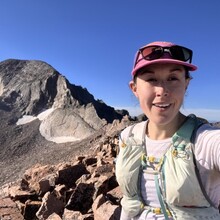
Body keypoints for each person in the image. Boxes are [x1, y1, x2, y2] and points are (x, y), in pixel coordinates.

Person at [115, 41, 220, 220]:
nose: (162, 91)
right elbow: (128, 202)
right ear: (134, 89)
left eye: (173, 78)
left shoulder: (205, 141)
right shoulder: (128, 137)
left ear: (186, 84)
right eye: (151, 79)